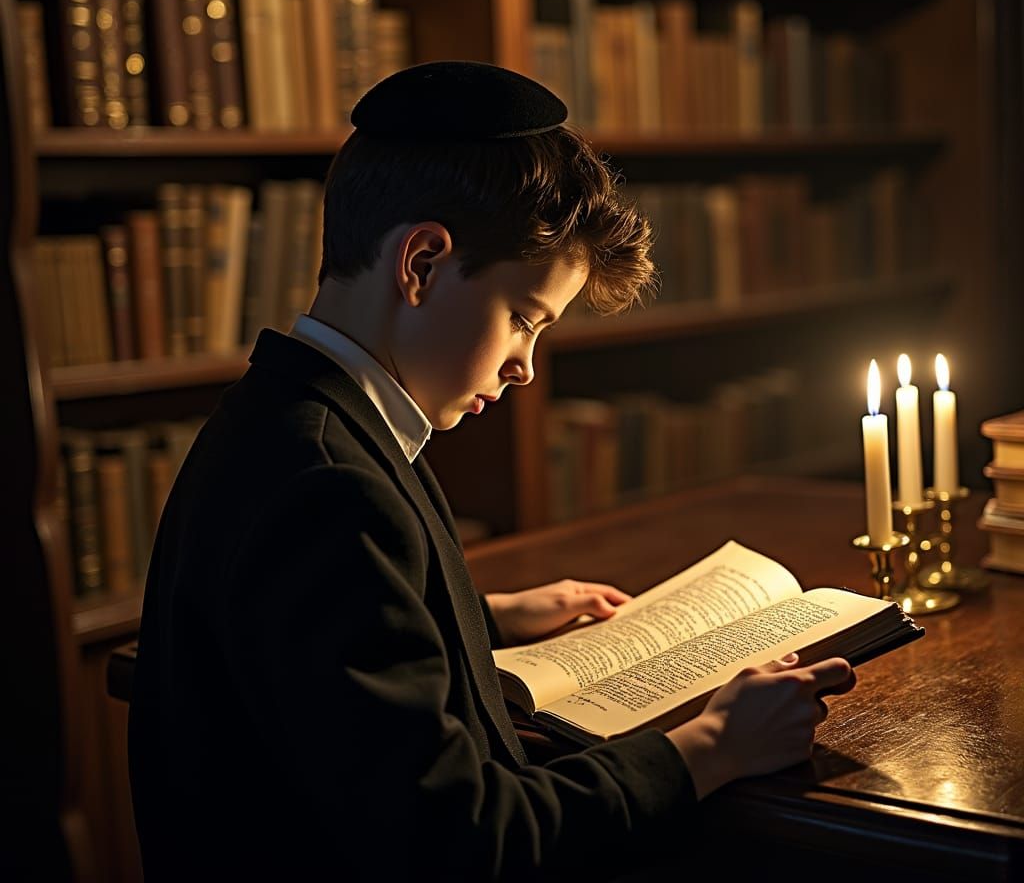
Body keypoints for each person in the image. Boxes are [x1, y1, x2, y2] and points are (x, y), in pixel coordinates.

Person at [127, 61, 855, 881]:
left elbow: (312, 647)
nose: (525, 368)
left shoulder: (290, 416)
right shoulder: (328, 486)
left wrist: (483, 617)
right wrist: (710, 747)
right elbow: (460, 839)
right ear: (423, 264)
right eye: (522, 320)